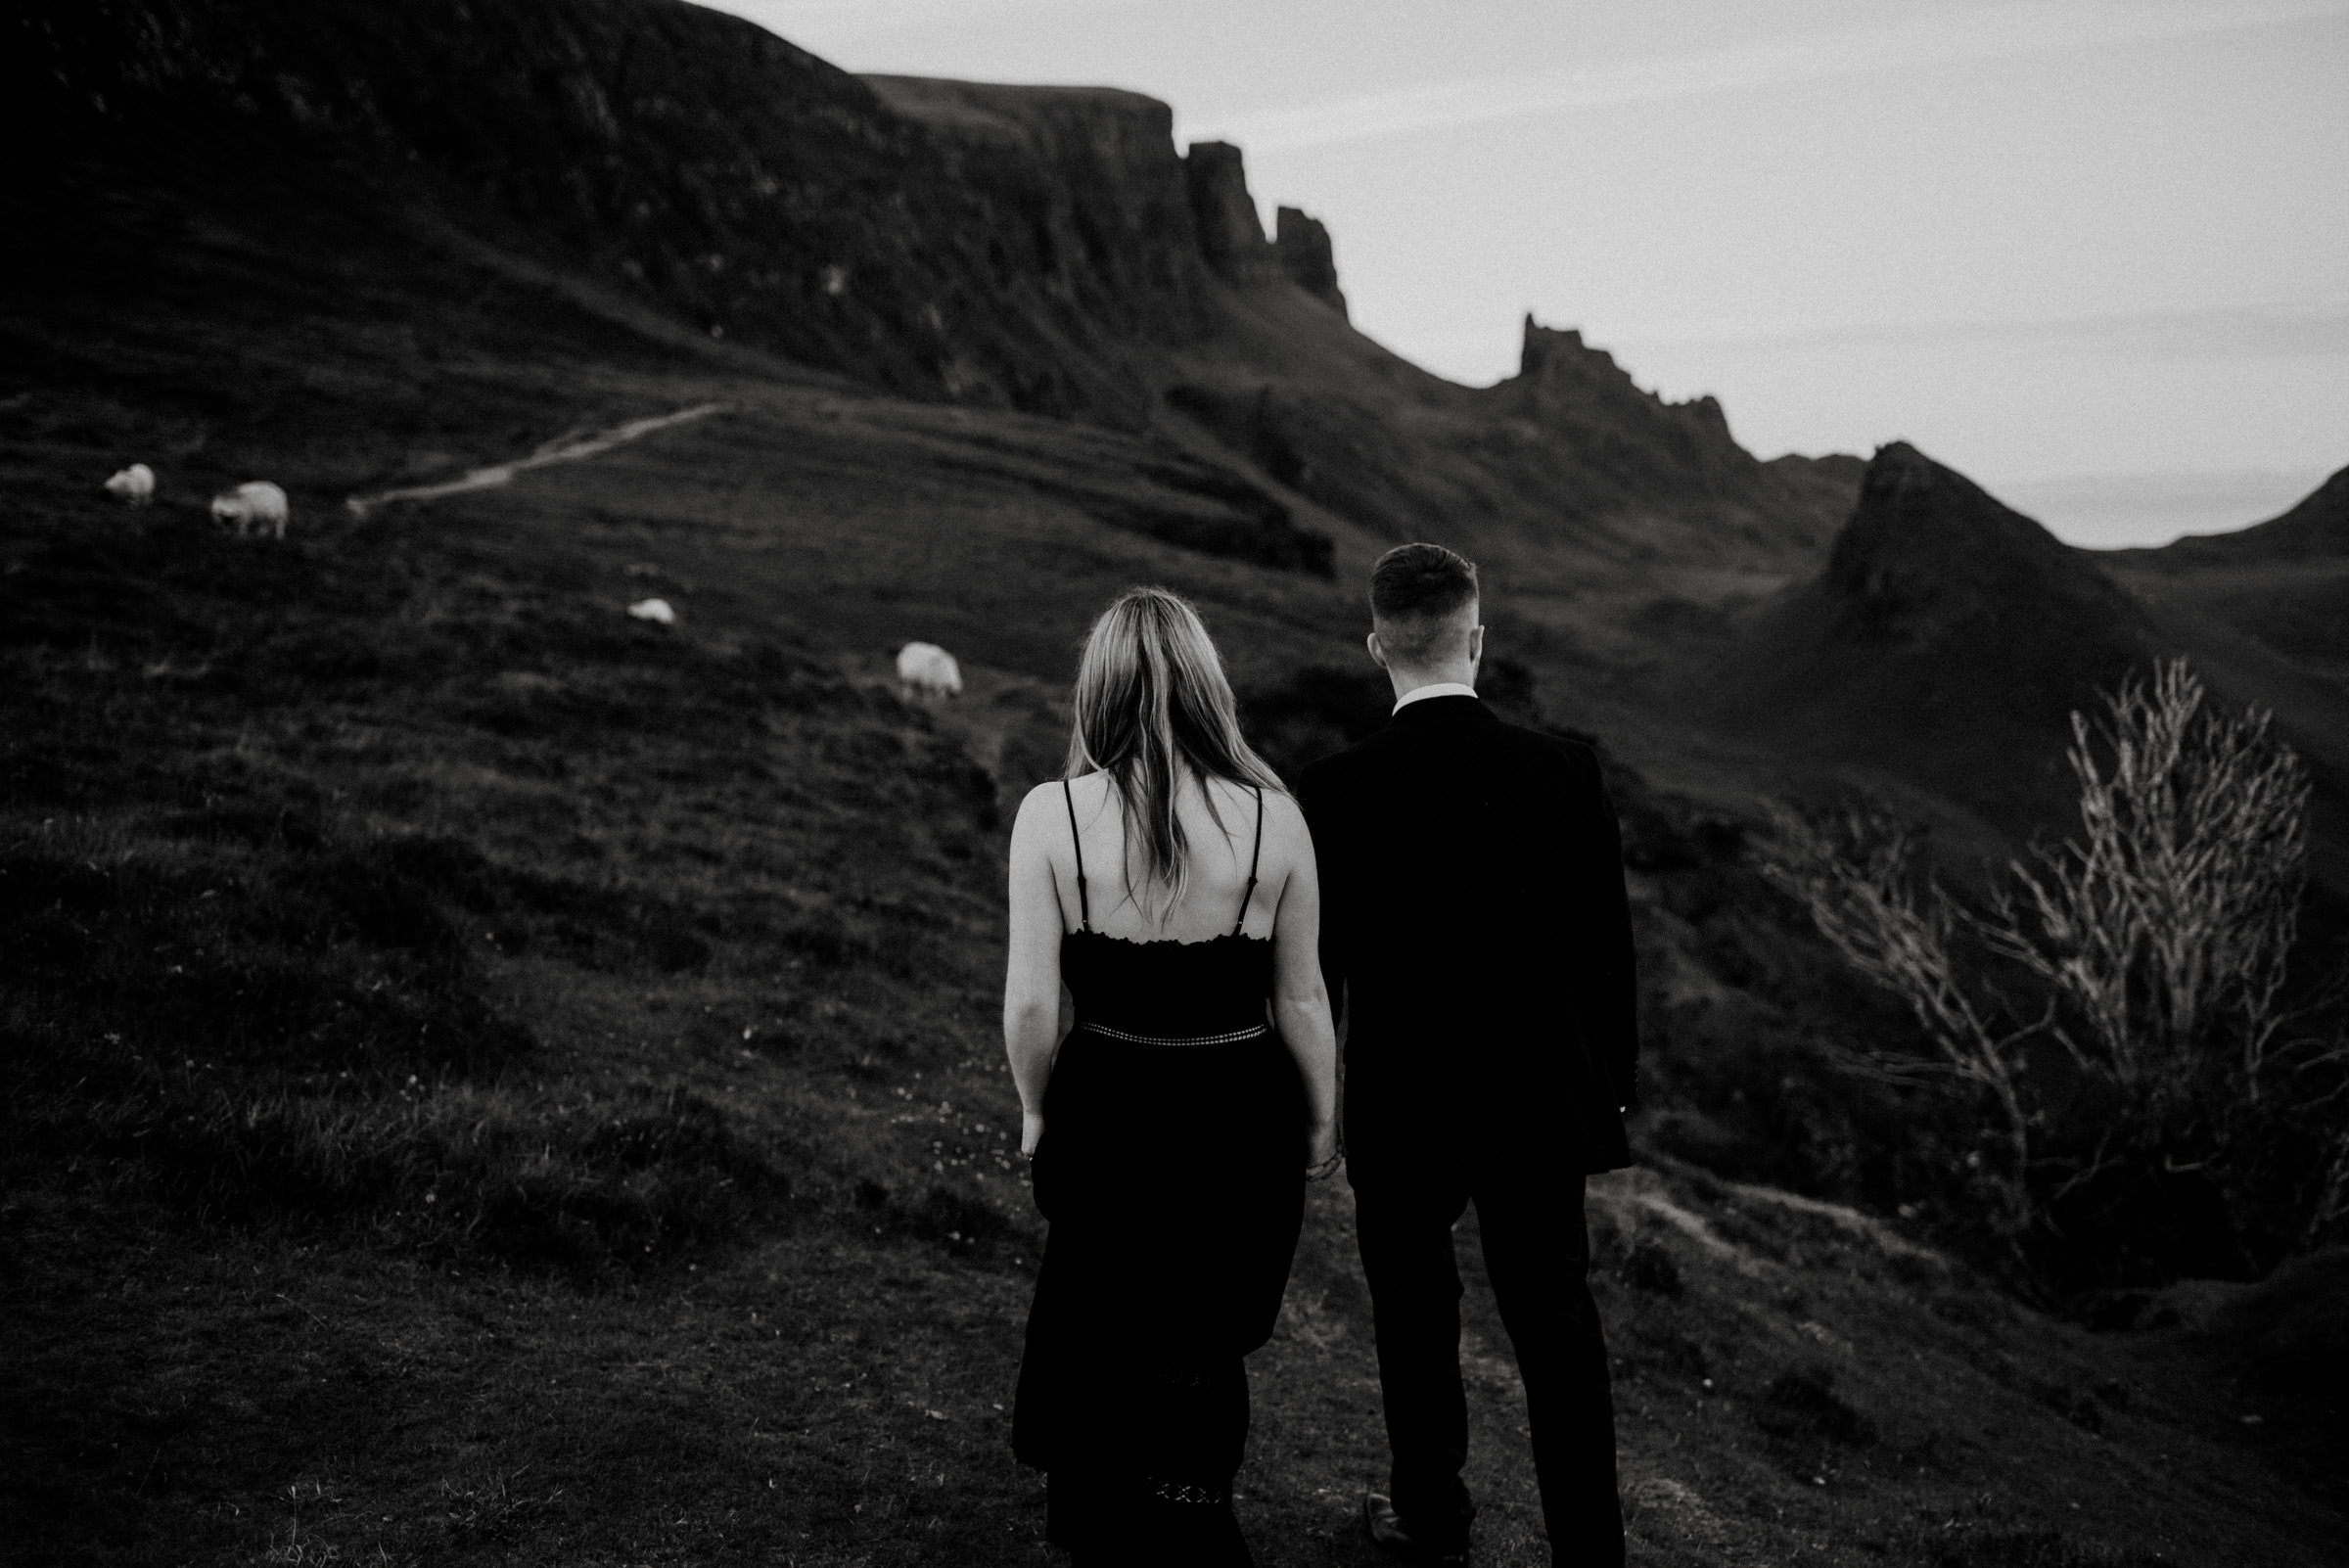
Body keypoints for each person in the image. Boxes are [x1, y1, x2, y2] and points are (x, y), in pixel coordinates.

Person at [1297, 543, 1638, 1568]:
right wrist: (1608, 1102)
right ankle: (1591, 1550)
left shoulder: (1338, 788)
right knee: (1558, 1332)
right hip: (1540, 1101)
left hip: (1403, 1102)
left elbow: (1320, 972)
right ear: (1477, 638)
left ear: (1376, 647)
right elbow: (1608, 956)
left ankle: (1432, 1519)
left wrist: (1321, 1112)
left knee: (1413, 1320)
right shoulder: (1564, 770)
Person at [1005, 586, 1341, 1567]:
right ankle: (1190, 1507)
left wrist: (1035, 1109)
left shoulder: (1051, 816)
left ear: (1097, 690)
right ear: (1206, 686)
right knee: (1202, 1324)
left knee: (1103, 1303)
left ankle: (1099, 1515)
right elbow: (1305, 999)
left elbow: (1033, 1005)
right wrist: (1321, 1123)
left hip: (1107, 1102)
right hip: (1239, 1105)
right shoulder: (1274, 818)